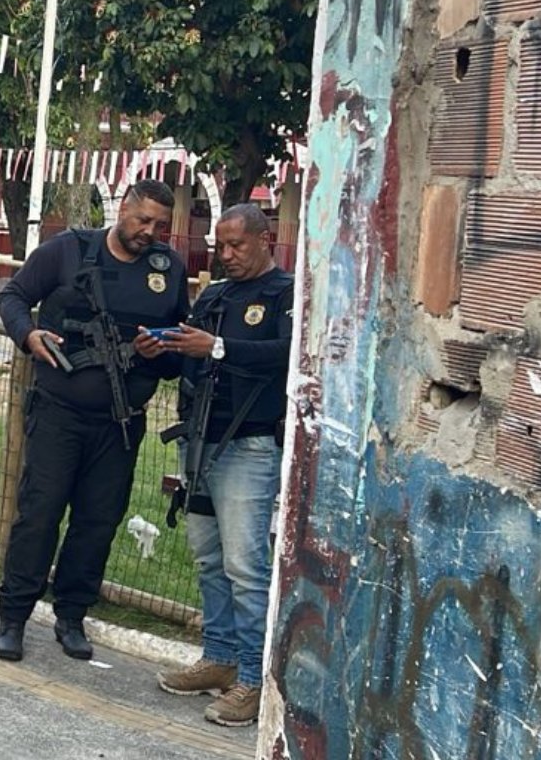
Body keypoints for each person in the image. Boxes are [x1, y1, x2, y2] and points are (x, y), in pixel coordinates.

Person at [0, 179, 188, 664]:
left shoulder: (168, 271)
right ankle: (13, 616)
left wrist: (156, 353)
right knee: (39, 514)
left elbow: (178, 351)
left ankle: (72, 615)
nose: (149, 232)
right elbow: (12, 296)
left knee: (98, 522)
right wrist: (28, 334)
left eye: (160, 226)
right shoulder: (68, 251)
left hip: (120, 421)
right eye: (142, 220)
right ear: (122, 210)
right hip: (59, 413)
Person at [153, 204, 293, 728]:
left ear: (266, 240)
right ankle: (219, 658)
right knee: (208, 558)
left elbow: (288, 355)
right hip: (200, 441)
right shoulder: (213, 294)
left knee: (246, 568)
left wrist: (218, 348)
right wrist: (162, 347)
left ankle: (254, 682)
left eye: (236, 245)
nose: (227, 255)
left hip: (251, 446)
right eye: (220, 246)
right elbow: (190, 354)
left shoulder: (285, 294)